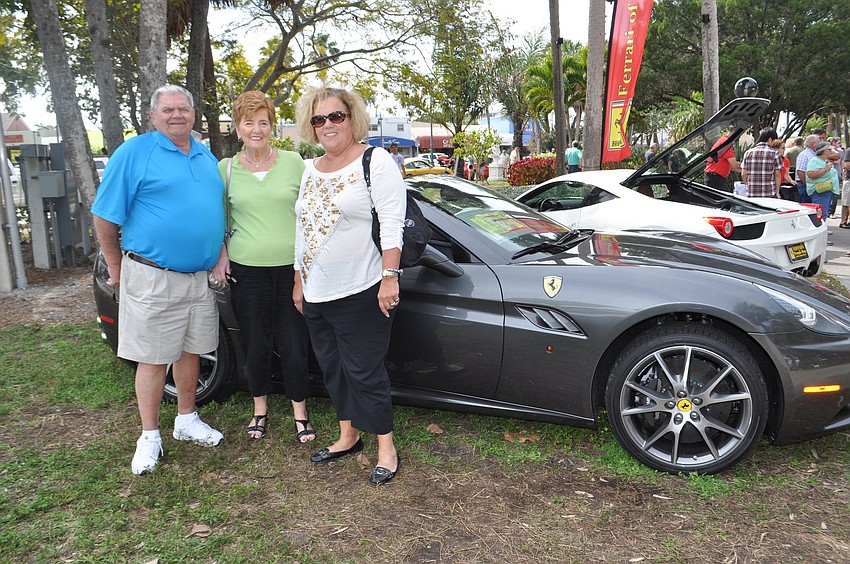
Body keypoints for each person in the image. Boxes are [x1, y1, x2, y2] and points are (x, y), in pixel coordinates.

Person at [91, 84, 225, 475]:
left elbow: (211, 210)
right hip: (152, 274)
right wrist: (115, 266)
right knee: (151, 358)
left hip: (197, 277)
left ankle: (186, 419)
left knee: (190, 349)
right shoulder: (134, 152)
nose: (176, 115)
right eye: (167, 110)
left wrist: (218, 248)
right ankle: (149, 436)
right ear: (152, 115)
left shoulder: (203, 155)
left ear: (193, 114)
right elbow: (104, 215)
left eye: (183, 109)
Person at [293, 87, 404, 486]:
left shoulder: (377, 162)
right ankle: (348, 435)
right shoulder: (308, 168)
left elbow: (392, 223)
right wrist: (298, 280)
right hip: (317, 292)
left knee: (365, 371)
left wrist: (390, 278)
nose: (327, 125)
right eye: (319, 119)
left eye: (335, 116)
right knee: (333, 368)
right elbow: (302, 230)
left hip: (362, 288)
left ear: (352, 118)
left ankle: (385, 447)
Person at [209, 91, 314, 442]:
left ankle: (300, 412)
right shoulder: (225, 170)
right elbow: (218, 219)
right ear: (237, 127)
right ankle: (260, 410)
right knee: (255, 344)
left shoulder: (294, 162)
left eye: (263, 122)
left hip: (292, 271)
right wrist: (221, 254)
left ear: (272, 127)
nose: (256, 129)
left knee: (295, 344)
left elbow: (311, 214)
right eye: (248, 122)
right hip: (246, 271)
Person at [740, 128, 782, 198]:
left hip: (752, 193)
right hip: (769, 193)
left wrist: (746, 185)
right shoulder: (775, 153)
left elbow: (743, 174)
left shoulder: (748, 153)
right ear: (770, 139)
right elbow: (777, 175)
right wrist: (777, 192)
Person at [806, 141, 840, 218]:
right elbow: (811, 174)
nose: (831, 151)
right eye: (829, 149)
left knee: (823, 213)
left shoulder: (824, 161)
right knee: (820, 214)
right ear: (824, 151)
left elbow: (838, 156)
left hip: (826, 191)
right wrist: (825, 169)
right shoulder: (814, 161)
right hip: (820, 192)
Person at [795, 135, 819, 204]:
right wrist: (807, 184)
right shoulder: (804, 154)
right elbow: (800, 171)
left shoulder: (813, 154)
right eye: (818, 142)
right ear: (813, 144)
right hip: (804, 185)